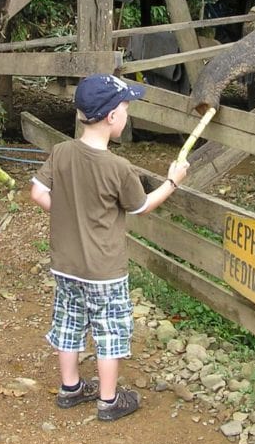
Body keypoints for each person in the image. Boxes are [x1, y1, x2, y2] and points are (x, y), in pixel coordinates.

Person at [30, 74, 190, 422]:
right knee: (109, 329)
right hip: (104, 270)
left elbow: (38, 192)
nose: (127, 114)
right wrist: (173, 182)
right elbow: (141, 206)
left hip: (66, 264)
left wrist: (68, 213)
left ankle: (70, 389)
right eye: (125, 108)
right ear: (111, 117)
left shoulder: (61, 152)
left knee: (70, 323)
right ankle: (108, 399)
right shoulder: (117, 168)